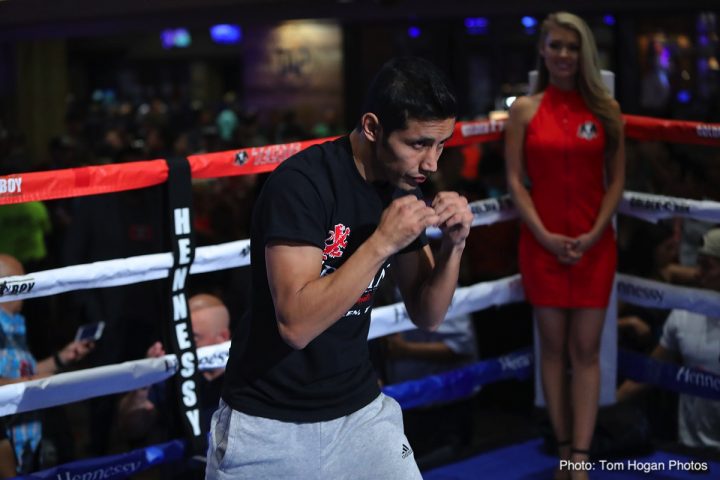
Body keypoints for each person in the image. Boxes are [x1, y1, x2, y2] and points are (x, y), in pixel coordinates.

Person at [206, 56, 472, 479]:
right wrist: (381, 242)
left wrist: (454, 247)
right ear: (371, 127)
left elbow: (429, 314)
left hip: (359, 410)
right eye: (418, 144)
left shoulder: (402, 188)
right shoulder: (302, 184)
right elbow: (295, 325)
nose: (432, 164)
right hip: (268, 420)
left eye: (441, 145)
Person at [504, 12, 625, 480]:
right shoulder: (525, 111)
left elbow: (617, 181)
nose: (563, 55)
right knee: (552, 350)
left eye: (572, 48)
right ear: (543, 49)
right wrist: (544, 234)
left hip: (594, 244)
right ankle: (562, 449)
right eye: (555, 45)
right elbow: (515, 180)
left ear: (584, 53)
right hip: (542, 244)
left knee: (586, 350)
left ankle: (581, 456)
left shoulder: (606, 110)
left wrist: (595, 231)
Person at [617, 227, 720, 450]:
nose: (696, 273)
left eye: (707, 266)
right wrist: (601, 404)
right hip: (689, 448)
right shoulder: (683, 313)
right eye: (698, 264)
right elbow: (650, 372)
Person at [116, 294, 230, 478]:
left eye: (192, 337)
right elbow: (131, 429)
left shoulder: (244, 378)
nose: (183, 346)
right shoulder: (172, 376)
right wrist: (143, 385)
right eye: (180, 337)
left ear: (222, 338)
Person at [0, 254, 94, 476]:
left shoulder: (15, 324)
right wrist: (34, 384)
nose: (29, 289)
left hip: (25, 439)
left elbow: (24, 372)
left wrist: (62, 358)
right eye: (21, 281)